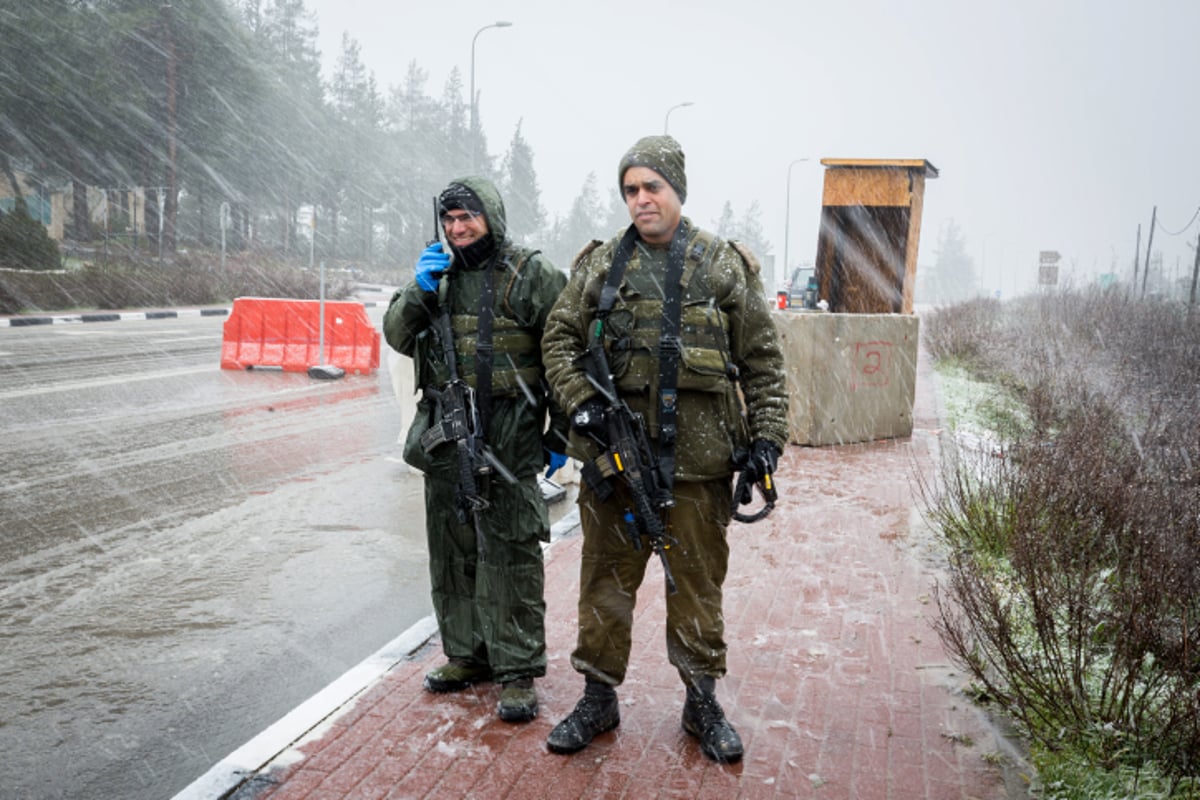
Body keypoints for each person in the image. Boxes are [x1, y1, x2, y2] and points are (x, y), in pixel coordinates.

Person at [540, 135, 789, 763]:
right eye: (630, 189)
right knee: (603, 584)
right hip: (614, 465)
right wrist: (583, 404)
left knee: (698, 587)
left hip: (700, 468)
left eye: (652, 187)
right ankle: (598, 698)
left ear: (677, 188)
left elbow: (762, 360)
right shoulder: (601, 267)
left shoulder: (720, 266)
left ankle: (701, 702)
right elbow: (558, 341)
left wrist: (765, 441)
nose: (640, 199)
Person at [382, 176, 569, 723]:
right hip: (446, 436)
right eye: (450, 220)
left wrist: (558, 436)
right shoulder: (435, 274)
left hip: (510, 434)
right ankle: (468, 656)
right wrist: (418, 289)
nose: (458, 229)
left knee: (509, 556)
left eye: (468, 217)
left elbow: (565, 352)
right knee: (454, 552)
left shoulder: (531, 274)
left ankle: (516, 672)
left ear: (492, 216)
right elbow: (396, 334)